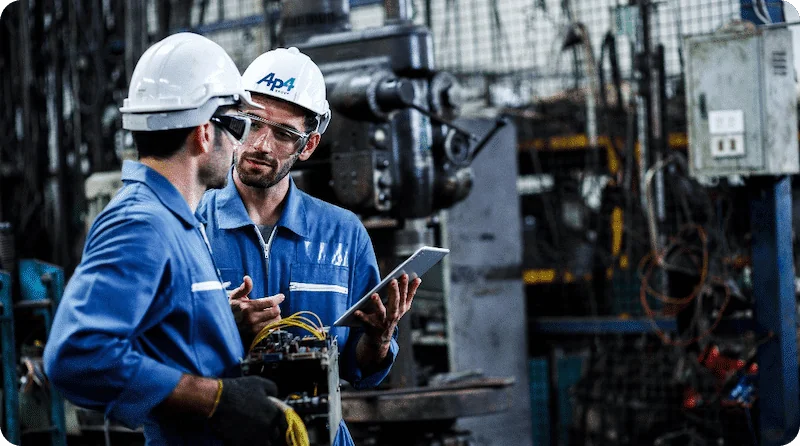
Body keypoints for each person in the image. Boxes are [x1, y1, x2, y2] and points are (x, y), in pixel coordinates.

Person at [43, 33, 298, 446]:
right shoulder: (142, 224)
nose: (239, 144)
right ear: (203, 133)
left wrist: (212, 319)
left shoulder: (180, 220)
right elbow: (77, 355)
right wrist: (216, 398)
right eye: (237, 126)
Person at [197, 47, 421, 445]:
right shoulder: (192, 224)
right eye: (252, 123)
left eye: (284, 134)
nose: (262, 144)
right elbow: (152, 351)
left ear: (309, 145)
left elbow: (360, 367)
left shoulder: (343, 234)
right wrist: (221, 327)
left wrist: (379, 340)